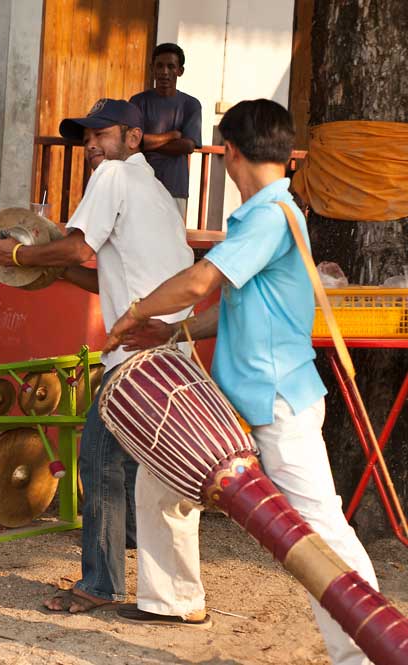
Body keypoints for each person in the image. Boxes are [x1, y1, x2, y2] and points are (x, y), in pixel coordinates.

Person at [105, 99, 379, 664]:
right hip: (243, 394)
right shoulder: (270, 212)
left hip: (276, 401)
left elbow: (200, 280)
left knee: (320, 532)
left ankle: (365, 651)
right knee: (160, 483)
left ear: (229, 152)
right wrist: (171, 330)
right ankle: (173, 599)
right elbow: (233, 305)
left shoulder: (271, 215)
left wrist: (136, 311)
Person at [0, 99, 194, 615]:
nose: (90, 145)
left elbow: (78, 250)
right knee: (139, 466)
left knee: (100, 462)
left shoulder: (114, 176)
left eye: (101, 135)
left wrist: (20, 255)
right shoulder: (157, 192)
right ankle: (132, 553)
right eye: (85, 138)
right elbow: (103, 274)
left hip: (137, 352)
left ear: (132, 138)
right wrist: (47, 267)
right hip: (175, 346)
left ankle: (100, 584)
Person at [129, 43, 202, 217]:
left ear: (180, 71)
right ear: (152, 69)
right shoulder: (138, 102)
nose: (164, 72)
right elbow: (131, 142)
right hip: (140, 186)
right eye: (159, 66)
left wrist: (147, 143)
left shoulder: (191, 104)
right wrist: (171, 135)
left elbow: (187, 146)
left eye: (171, 66)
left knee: (173, 234)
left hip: (174, 188)